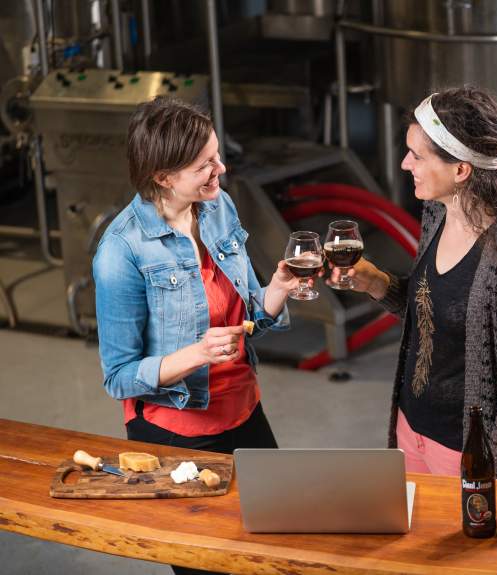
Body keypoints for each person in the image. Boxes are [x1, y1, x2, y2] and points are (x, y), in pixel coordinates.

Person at [93, 96, 301, 574]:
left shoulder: (218, 208)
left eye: (217, 155)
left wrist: (278, 290)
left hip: (244, 411)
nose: (221, 170)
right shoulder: (120, 252)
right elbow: (120, 378)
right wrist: (197, 354)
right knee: (204, 564)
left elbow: (251, 319)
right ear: (163, 177)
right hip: (177, 433)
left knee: (278, 550)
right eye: (204, 165)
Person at [328, 86, 497, 480]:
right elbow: (436, 314)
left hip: (468, 455)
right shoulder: (439, 212)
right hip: (411, 429)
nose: (406, 165)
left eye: (417, 156)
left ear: (460, 169)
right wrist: (376, 283)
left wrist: (493, 482)